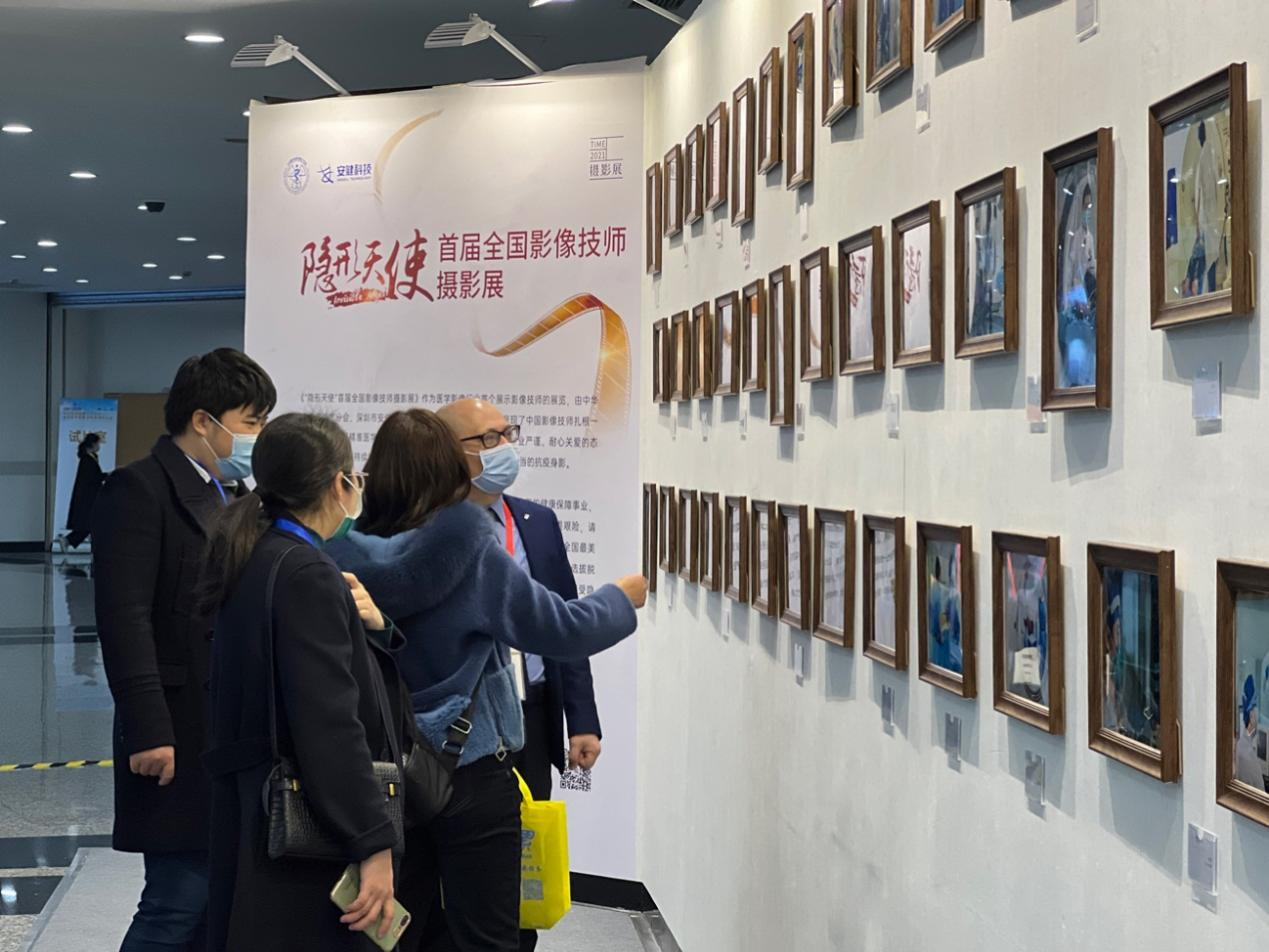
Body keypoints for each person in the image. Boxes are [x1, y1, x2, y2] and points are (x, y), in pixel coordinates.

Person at [327, 408, 646, 952]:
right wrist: (620, 599)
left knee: (399, 931)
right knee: (489, 934)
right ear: (451, 470)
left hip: (386, 772)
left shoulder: (341, 558)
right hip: (471, 769)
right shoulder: (472, 553)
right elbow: (560, 628)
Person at [201, 413, 408, 951]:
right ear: (340, 483)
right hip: (305, 828)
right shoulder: (307, 573)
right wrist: (373, 841)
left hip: (251, 809)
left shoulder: (254, 555)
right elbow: (330, 724)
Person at [92, 348, 275, 952]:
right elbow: (125, 620)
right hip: (177, 725)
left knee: (218, 900)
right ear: (203, 420)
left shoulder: (241, 495)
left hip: (232, 726)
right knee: (177, 900)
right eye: (251, 422)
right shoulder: (139, 489)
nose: (258, 436)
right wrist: (148, 729)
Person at [435, 399, 601, 952]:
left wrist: (582, 719)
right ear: (449, 452)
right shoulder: (428, 528)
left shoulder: (536, 521)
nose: (504, 447)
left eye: (507, 433)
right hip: (461, 724)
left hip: (529, 713)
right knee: (459, 869)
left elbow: (566, 626)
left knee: (522, 858)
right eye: (487, 439)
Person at [66, 432, 107, 549]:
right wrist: (106, 475)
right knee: (89, 524)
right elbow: (93, 478)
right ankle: (68, 540)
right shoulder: (87, 460)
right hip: (87, 498)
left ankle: (68, 540)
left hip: (89, 497)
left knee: (89, 525)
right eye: (98, 443)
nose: (99, 446)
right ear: (93, 444)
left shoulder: (91, 458)